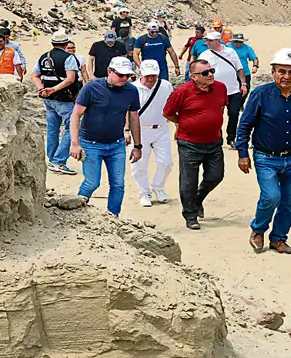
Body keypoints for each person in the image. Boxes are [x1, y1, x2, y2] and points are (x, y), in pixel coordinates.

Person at [236, 48, 291, 255]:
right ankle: (258, 230)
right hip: (266, 157)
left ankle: (278, 238)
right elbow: (245, 125)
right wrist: (242, 153)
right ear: (273, 72)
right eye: (281, 71)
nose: (286, 76)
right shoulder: (260, 94)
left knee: (289, 202)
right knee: (271, 196)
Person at [69, 57, 143, 216]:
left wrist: (137, 145)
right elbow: (76, 115)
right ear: (110, 71)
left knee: (118, 185)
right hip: (91, 143)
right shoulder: (91, 88)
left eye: (127, 76)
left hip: (116, 144)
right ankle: (77, 213)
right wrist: (74, 143)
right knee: (91, 183)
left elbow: (134, 117)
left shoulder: (131, 91)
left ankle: (113, 217)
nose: (124, 79)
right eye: (120, 75)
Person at [163, 59, 228, 230]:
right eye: (205, 73)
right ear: (193, 76)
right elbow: (168, 113)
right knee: (188, 181)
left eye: (211, 71)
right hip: (189, 143)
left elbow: (220, 108)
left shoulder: (221, 88)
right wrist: (183, 123)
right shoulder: (181, 92)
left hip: (214, 141)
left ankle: (197, 199)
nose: (210, 75)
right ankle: (190, 215)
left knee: (216, 175)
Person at [30, 31, 81, 175]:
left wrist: (42, 89)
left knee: (53, 128)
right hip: (63, 98)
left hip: (48, 98)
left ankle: (52, 159)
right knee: (73, 126)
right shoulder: (69, 58)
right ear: (66, 44)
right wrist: (54, 89)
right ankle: (59, 161)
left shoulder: (44, 57)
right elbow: (70, 79)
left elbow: (34, 75)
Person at [130, 60, 175, 207]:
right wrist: (126, 130)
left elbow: (172, 106)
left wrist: (177, 126)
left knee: (166, 161)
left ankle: (158, 186)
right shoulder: (133, 88)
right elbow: (128, 112)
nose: (151, 79)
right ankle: (144, 192)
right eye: (148, 75)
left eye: (154, 75)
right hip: (140, 129)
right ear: (140, 73)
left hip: (161, 128)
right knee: (139, 164)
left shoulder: (165, 86)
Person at [198, 31, 246, 147]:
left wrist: (243, 83)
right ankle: (216, 138)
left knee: (234, 114)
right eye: (206, 40)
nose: (207, 43)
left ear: (217, 41)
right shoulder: (205, 55)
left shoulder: (230, 52)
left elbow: (239, 68)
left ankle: (231, 138)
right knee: (216, 115)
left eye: (210, 40)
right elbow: (199, 72)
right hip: (215, 90)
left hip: (233, 89)